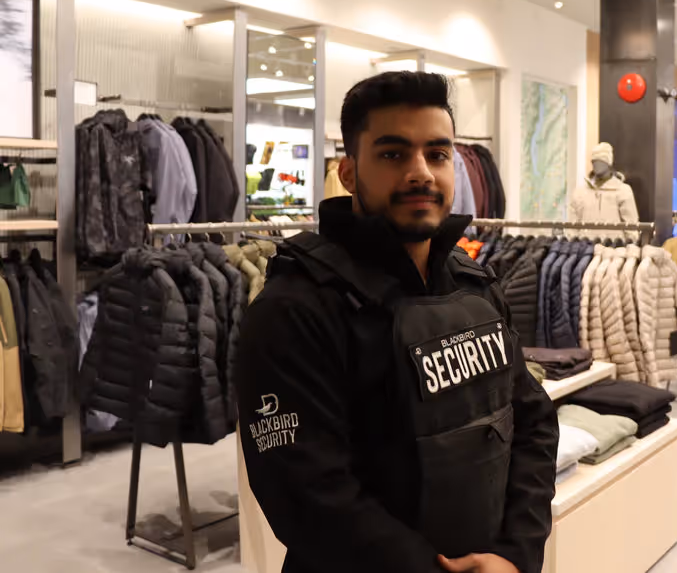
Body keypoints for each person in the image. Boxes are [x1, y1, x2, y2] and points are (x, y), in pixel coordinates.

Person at [235, 71, 559, 573]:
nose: (421, 173)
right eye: (392, 154)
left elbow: (532, 420)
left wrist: (516, 554)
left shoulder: (476, 285)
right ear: (347, 173)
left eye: (437, 154)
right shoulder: (294, 310)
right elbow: (308, 494)